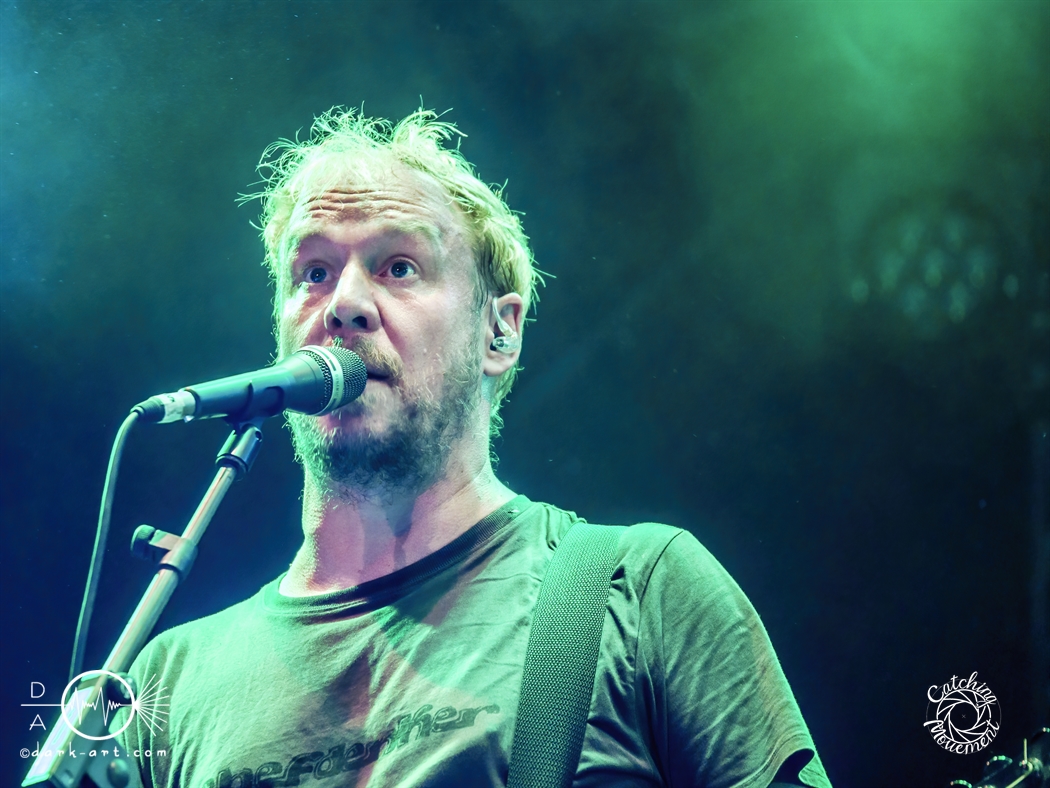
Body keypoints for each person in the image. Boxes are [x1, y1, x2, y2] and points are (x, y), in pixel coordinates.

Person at [120, 108, 832, 788]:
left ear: (500, 333)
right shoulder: (162, 684)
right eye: (313, 273)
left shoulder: (639, 589)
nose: (344, 304)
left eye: (399, 266)